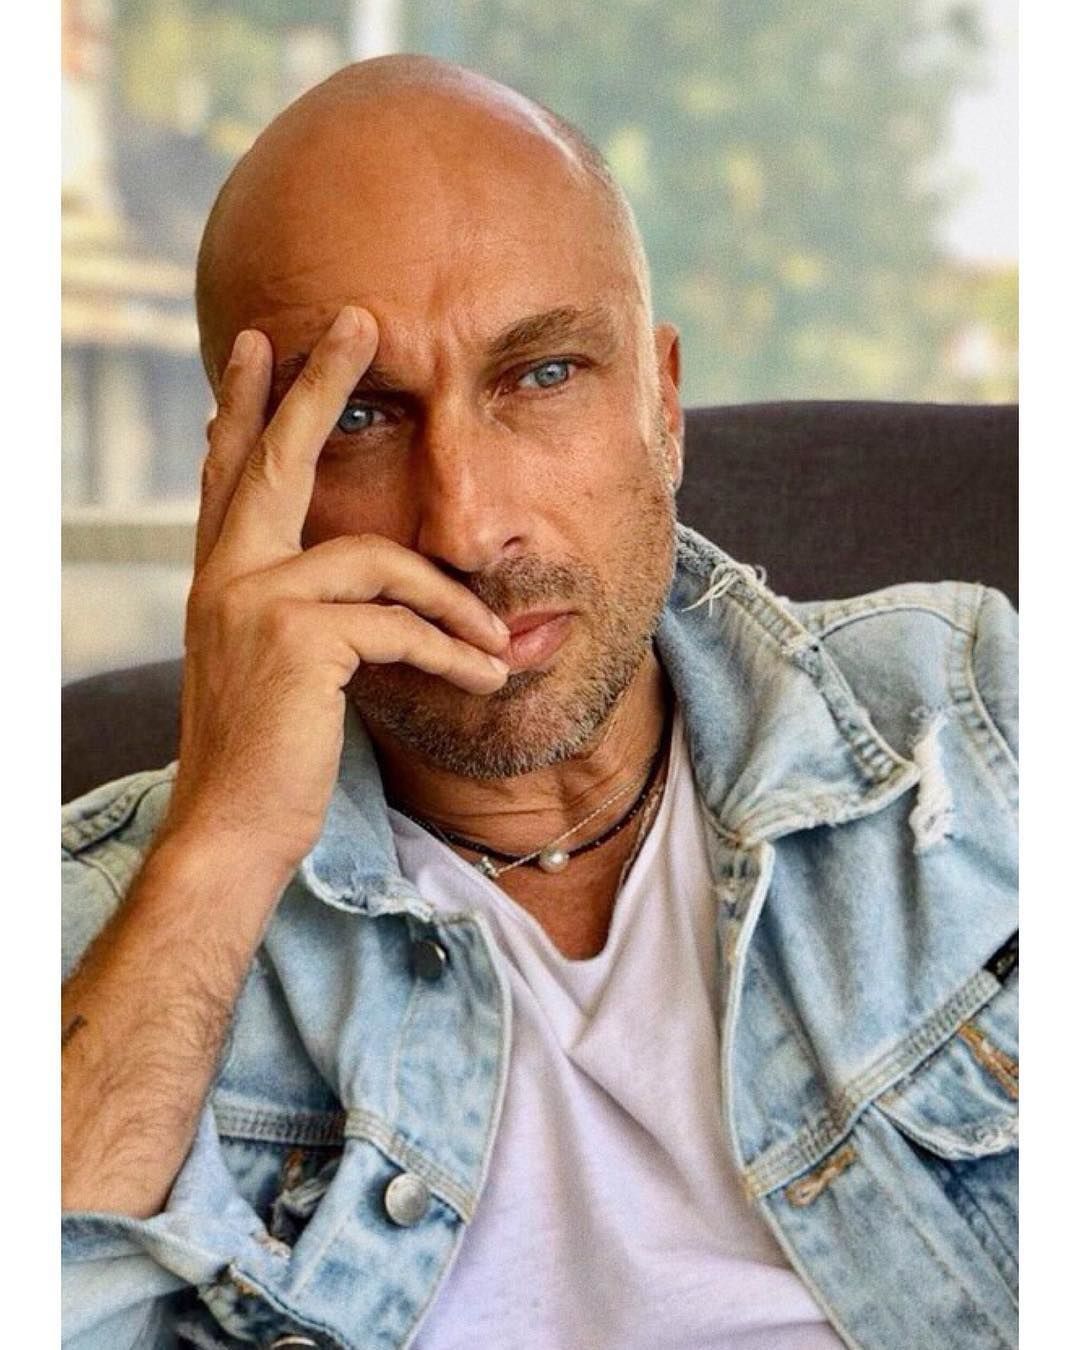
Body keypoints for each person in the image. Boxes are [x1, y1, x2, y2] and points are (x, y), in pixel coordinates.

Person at [61, 55, 1018, 1350]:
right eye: (359, 416)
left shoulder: (980, 725)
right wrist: (223, 844)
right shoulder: (98, 930)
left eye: (544, 375)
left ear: (663, 408)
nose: (466, 524)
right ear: (243, 485)